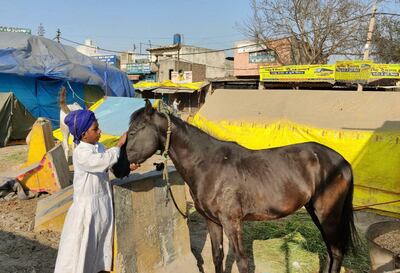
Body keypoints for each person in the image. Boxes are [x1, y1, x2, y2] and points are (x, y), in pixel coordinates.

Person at [54, 109, 138, 273]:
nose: (99, 132)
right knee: (83, 247)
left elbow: (110, 166)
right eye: (95, 129)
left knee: (100, 245)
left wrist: (128, 167)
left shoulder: (98, 146)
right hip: (87, 209)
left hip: (103, 203)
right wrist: (119, 145)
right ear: (84, 134)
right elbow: (103, 161)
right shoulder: (81, 153)